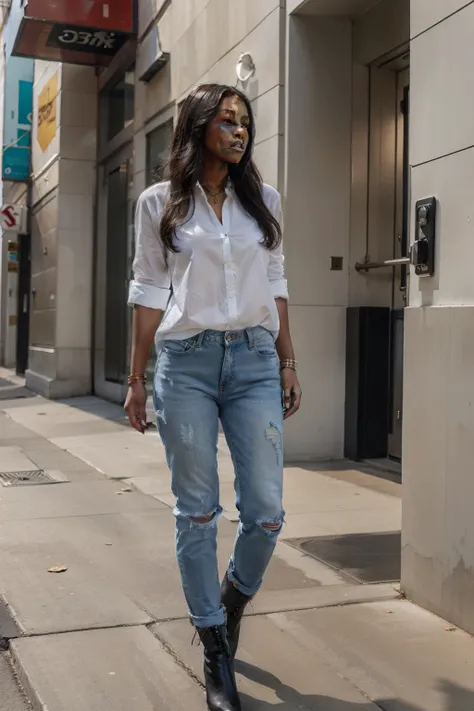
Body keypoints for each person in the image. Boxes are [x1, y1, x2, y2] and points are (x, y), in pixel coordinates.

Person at [125, 84, 301, 711]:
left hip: (254, 359)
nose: (238, 130)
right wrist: (137, 377)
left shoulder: (264, 201)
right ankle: (213, 646)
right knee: (197, 510)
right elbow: (147, 290)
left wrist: (287, 361)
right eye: (226, 120)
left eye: (245, 121)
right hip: (187, 364)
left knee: (267, 511)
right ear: (198, 126)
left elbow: (276, 281)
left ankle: (228, 604)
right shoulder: (160, 203)